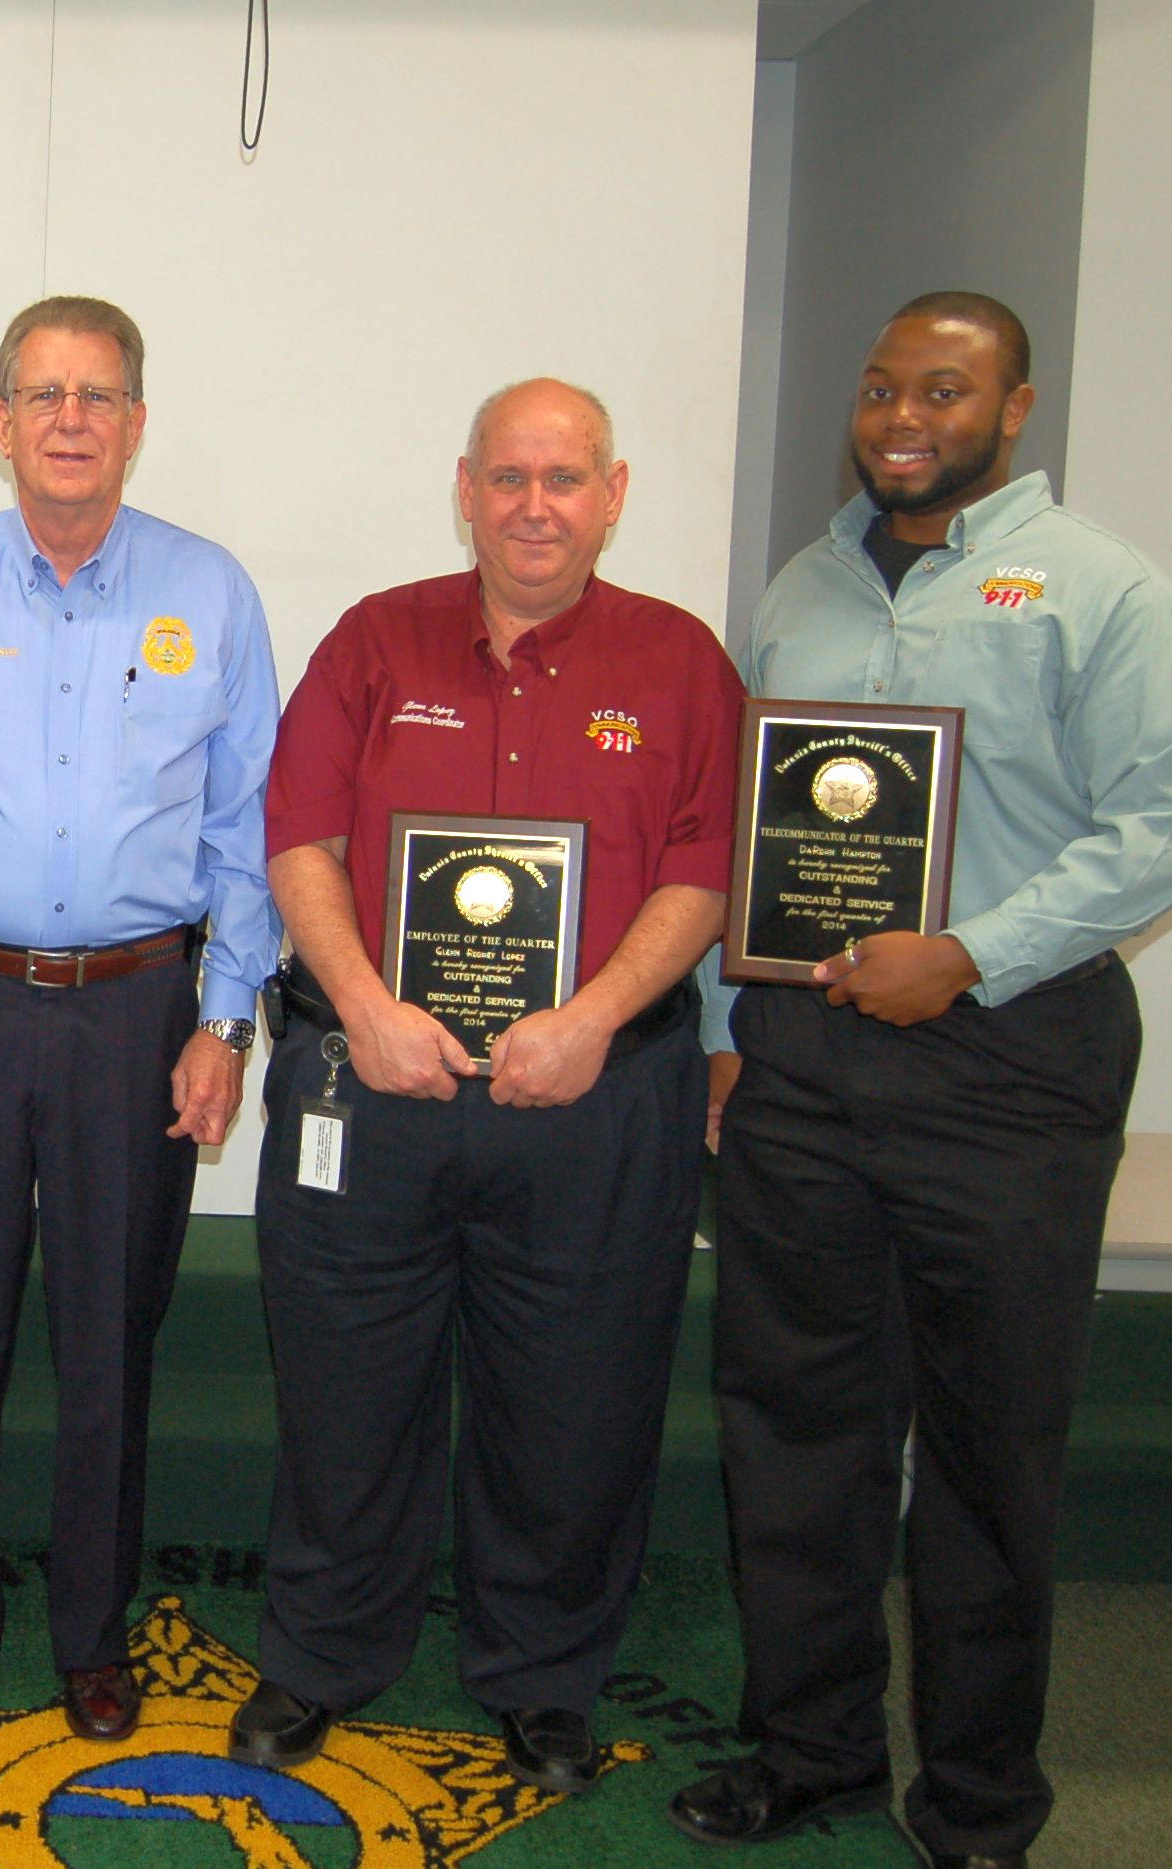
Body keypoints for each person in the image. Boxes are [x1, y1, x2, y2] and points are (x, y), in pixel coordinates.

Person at [670, 295, 1172, 1869]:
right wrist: (728, 1022)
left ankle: (981, 1799)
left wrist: (974, 948)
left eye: (945, 386)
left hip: (1012, 1064)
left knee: (987, 1451)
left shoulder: (1102, 592)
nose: (904, 410)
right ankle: (815, 1747)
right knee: (796, 1425)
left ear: (1014, 406)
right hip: (803, 1068)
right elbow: (757, 838)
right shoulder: (801, 588)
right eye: (882, 382)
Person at [242, 380, 742, 1790]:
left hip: (599, 1097)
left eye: (566, 478)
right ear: (463, 487)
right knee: (346, 1393)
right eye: (509, 476)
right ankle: (327, 1652)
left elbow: (705, 868)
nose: (536, 504)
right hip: (378, 1085)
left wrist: (592, 1016)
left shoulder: (680, 661)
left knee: (578, 1398)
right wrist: (362, 1003)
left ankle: (545, 1674)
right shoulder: (372, 642)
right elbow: (301, 836)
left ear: (616, 491)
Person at [0, 296, 280, 1745]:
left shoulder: (211, 593)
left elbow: (249, 825)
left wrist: (225, 1021)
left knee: (110, 1336)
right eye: (43, 393)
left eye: (99, 394)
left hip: (140, 1011)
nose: (71, 418)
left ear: (138, 424)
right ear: (0, 421)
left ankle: (92, 1630)